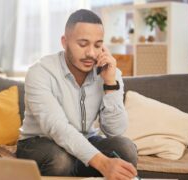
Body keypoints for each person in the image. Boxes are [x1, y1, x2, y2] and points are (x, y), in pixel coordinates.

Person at [16, 9, 138, 180]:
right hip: (40, 142)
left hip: (85, 139)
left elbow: (115, 131)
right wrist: (103, 163)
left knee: (125, 148)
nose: (91, 53)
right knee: (60, 160)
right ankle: (79, 168)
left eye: (97, 45)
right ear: (64, 42)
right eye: (82, 44)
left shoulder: (110, 73)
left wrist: (110, 84)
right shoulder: (40, 72)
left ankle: (78, 168)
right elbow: (57, 128)